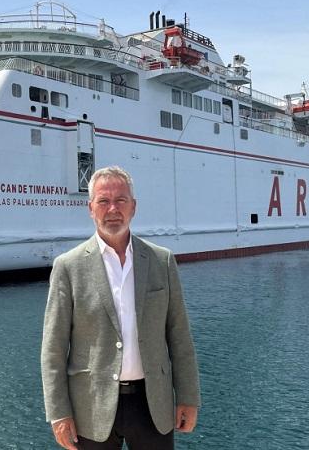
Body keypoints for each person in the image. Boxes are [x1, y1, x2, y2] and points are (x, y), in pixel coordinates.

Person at [41, 166, 200, 450]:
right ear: (91, 208)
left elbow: (179, 336)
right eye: (103, 201)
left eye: (120, 200)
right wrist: (58, 414)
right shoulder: (68, 267)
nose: (112, 209)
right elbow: (53, 349)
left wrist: (188, 396)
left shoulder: (161, 261)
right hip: (91, 406)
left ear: (133, 207)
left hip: (153, 404)